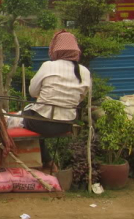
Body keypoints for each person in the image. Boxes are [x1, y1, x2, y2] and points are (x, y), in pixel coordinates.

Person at [21, 30, 92, 170]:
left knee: (24, 115)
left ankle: (35, 164)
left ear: (55, 49)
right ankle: (48, 161)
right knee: (35, 118)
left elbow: (32, 92)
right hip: (66, 124)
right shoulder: (84, 71)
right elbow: (80, 98)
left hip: (41, 123)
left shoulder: (48, 66)